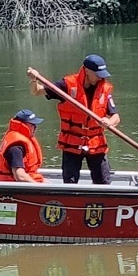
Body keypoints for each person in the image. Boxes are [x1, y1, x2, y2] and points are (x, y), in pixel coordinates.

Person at [29, 54, 120, 184]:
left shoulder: (104, 89)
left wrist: (110, 122)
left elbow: (116, 116)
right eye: (98, 74)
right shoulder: (67, 85)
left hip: (95, 143)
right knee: (70, 181)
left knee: (103, 181)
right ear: (87, 71)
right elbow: (37, 91)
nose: (101, 77)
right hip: (72, 143)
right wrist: (34, 80)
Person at [0, 109, 45, 183]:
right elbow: (20, 176)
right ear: (23, 125)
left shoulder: (18, 139)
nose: (35, 127)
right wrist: (40, 188)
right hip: (15, 189)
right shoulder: (16, 147)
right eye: (32, 124)